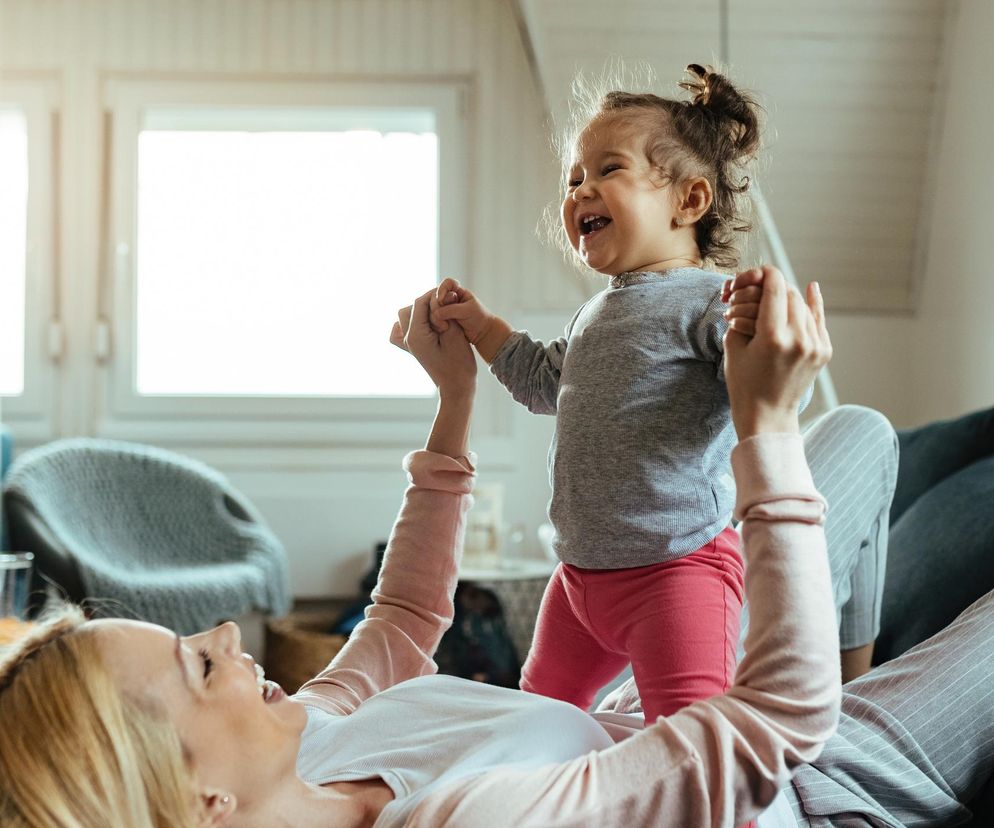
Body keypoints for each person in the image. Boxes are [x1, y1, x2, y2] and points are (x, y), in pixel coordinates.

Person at [0, 271, 991, 827]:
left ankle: (856, 662)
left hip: (663, 707)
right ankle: (871, 720)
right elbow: (771, 725)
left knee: (857, 431)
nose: (224, 631)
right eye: (198, 663)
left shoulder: (307, 742)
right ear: (195, 796)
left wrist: (453, 405)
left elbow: (397, 627)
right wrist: (760, 425)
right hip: (793, 782)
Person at [429, 63, 768, 724]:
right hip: (579, 581)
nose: (581, 188)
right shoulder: (597, 313)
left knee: (693, 746)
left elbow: (763, 393)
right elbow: (544, 382)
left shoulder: (709, 303)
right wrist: (482, 327)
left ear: (689, 202)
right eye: (574, 177)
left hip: (676, 574)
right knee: (539, 719)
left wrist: (766, 330)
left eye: (608, 169)